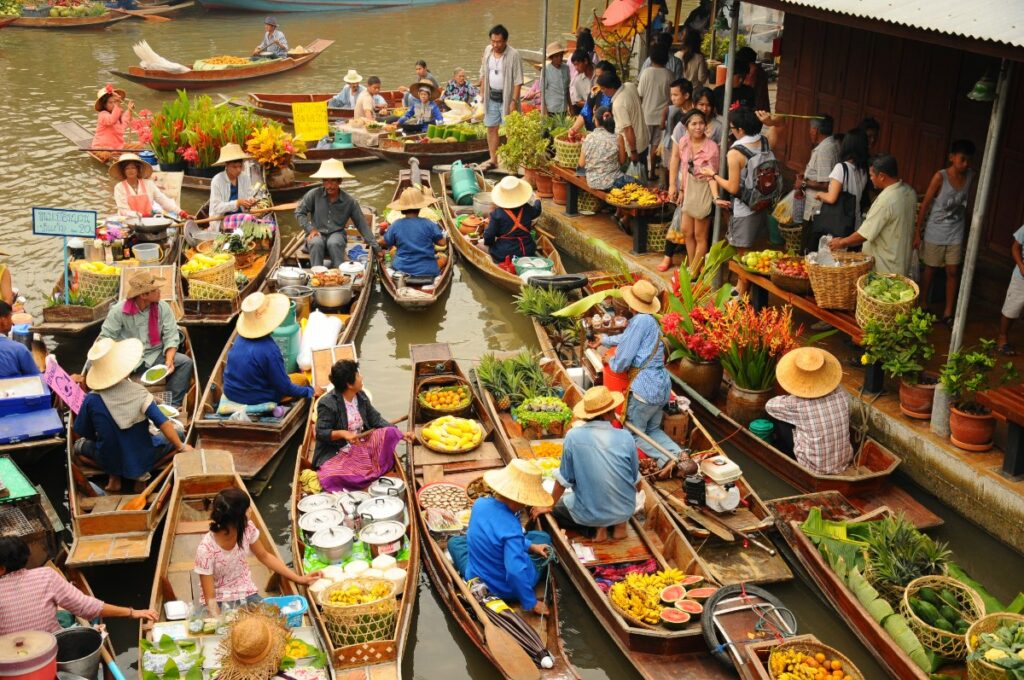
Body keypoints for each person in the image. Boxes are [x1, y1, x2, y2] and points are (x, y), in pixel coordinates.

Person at [73, 338, 191, 493]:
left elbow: (84, 431)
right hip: (142, 457)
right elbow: (163, 423)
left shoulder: (91, 399)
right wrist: (181, 447)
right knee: (179, 434)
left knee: (79, 446)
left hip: (108, 457)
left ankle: (114, 477)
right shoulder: (139, 393)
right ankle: (140, 477)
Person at [590, 280, 681, 476]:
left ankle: (667, 459)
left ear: (632, 303)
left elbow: (622, 361)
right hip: (661, 387)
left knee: (634, 432)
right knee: (653, 430)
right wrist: (604, 340)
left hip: (645, 390)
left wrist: (609, 359)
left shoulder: (640, 321)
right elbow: (627, 338)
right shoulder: (649, 321)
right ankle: (679, 456)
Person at [448, 459, 553, 616]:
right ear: (520, 500)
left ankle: (529, 545)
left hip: (477, 576)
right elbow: (515, 571)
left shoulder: (479, 504)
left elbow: (496, 537)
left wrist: (530, 546)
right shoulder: (512, 527)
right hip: (504, 589)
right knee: (542, 536)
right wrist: (531, 603)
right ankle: (523, 592)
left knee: (454, 542)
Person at [535, 386, 640, 540]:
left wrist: (548, 506)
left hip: (592, 513)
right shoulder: (626, 437)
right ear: (608, 413)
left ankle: (596, 530)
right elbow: (634, 478)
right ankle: (619, 526)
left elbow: (564, 480)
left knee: (557, 510)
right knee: (607, 492)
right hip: (624, 510)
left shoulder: (573, 436)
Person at [195, 488, 319, 616]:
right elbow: (210, 598)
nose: (251, 510)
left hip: (246, 593)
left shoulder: (247, 528)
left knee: (277, 621)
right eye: (247, 509)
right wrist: (218, 621)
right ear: (238, 517)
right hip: (219, 600)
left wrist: (299, 579)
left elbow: (264, 556)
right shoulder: (206, 550)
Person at [0, 535, 157, 635]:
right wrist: (132, 612)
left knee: (61, 611)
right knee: (63, 611)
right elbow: (87, 607)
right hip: (51, 653)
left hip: (12, 663)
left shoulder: (44, 576)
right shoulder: (45, 575)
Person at [702, 107, 780, 275]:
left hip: (745, 208)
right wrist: (770, 122)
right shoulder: (766, 142)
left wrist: (713, 174)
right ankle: (741, 286)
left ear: (740, 130)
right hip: (763, 203)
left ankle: (742, 289)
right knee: (754, 251)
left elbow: (733, 187)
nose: (731, 131)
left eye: (732, 128)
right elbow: (780, 125)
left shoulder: (735, 153)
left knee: (743, 255)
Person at [314, 360, 413, 488]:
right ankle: (358, 472)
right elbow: (321, 432)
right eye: (358, 375)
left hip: (360, 445)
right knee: (330, 477)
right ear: (349, 384)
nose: (362, 378)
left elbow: (376, 420)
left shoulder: (361, 396)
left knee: (390, 432)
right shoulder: (327, 403)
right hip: (338, 451)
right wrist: (343, 434)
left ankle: (361, 470)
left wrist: (401, 434)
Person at [99, 271, 192, 407]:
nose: (159, 292)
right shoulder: (118, 311)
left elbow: (171, 336)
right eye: (155, 290)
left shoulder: (163, 308)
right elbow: (105, 340)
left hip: (154, 355)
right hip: (126, 359)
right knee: (96, 367)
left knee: (185, 362)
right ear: (143, 295)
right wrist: (118, 366)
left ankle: (172, 405)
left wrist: (169, 360)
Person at [914, 139, 976, 325]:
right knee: (931, 268)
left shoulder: (971, 175)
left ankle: (948, 311)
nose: (966, 164)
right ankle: (923, 303)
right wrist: (918, 232)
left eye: (969, 160)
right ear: (951, 157)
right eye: (962, 159)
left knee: (952, 270)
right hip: (936, 230)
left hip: (956, 230)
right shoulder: (940, 177)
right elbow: (925, 205)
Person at [765, 347, 853, 475]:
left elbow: (770, 406)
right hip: (844, 461)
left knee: (780, 420)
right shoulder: (841, 392)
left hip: (814, 467)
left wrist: (790, 397)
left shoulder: (796, 404)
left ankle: (786, 455)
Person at [222, 292, 318, 407]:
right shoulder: (269, 350)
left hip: (231, 392)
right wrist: (310, 391)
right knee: (301, 379)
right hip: (255, 398)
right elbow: (285, 387)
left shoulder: (239, 339)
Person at [829, 154, 917, 276]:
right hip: (900, 263)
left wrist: (842, 242)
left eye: (871, 175)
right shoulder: (909, 191)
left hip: (884, 268)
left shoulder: (887, 200)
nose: (870, 178)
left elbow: (865, 233)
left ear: (881, 176)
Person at [665, 109, 719, 272]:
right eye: (694, 124)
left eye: (701, 123)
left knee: (700, 235)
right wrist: (678, 188)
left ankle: (693, 271)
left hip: (702, 191)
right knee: (687, 231)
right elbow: (682, 165)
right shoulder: (683, 142)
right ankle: (693, 267)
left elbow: (712, 177)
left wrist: (715, 197)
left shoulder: (712, 148)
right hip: (687, 190)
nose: (698, 127)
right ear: (686, 126)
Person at [296, 159, 374, 268]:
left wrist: (376, 247)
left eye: (333, 181)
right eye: (326, 181)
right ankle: (316, 273)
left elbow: (362, 225)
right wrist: (310, 229)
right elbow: (300, 213)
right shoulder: (313, 194)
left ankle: (339, 272)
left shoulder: (349, 201)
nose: (329, 186)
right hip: (317, 232)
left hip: (336, 233)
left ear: (339, 181)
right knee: (316, 242)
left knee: (334, 242)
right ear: (323, 181)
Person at [478, 24, 524, 170]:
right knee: (491, 128)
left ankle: (513, 161)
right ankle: (493, 159)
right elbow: (484, 73)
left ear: (505, 41)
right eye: (493, 41)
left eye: (498, 42)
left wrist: (513, 101)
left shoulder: (513, 54)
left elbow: (518, 80)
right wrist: (481, 94)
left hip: (507, 97)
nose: (495, 44)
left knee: (510, 130)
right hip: (491, 96)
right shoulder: (487, 51)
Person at [379, 186, 446, 277]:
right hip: (428, 270)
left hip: (401, 268)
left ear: (402, 209)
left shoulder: (396, 225)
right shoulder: (429, 224)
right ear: (419, 208)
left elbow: (386, 242)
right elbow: (442, 243)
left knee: (392, 255)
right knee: (443, 257)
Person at [817, 127, 870, 238]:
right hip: (854, 224)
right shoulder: (863, 170)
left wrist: (819, 195)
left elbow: (831, 198)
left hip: (837, 225)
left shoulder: (841, 168)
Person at [598, 73, 650, 176]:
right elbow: (633, 107)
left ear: (611, 87)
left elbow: (628, 129)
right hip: (644, 139)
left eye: (603, 89)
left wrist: (633, 152)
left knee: (634, 182)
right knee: (642, 175)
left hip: (633, 147)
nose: (602, 92)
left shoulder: (618, 104)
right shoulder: (630, 86)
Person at [483, 177, 541, 265]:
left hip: (505, 254)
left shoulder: (497, 214)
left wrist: (490, 244)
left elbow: (489, 236)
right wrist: (538, 200)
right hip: (528, 251)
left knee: (480, 245)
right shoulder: (527, 208)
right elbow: (537, 211)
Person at [110, 153, 186, 219]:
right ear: (123, 171)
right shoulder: (119, 187)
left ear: (138, 169)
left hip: (148, 220)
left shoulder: (148, 184)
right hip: (128, 221)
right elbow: (124, 210)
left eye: (133, 167)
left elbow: (163, 200)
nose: (131, 171)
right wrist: (141, 215)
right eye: (127, 168)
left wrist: (181, 212)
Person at [209, 143, 265, 232]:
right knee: (249, 220)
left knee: (268, 224)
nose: (238, 170)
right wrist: (237, 203)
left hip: (242, 214)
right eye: (234, 167)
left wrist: (251, 200)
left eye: (240, 166)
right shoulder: (217, 180)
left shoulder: (244, 177)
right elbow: (216, 207)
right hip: (221, 219)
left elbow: (249, 195)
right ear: (226, 166)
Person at [637, 44, 674, 178]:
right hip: (661, 117)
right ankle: (652, 172)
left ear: (651, 58)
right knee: (655, 146)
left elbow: (639, 94)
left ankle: (642, 173)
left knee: (643, 144)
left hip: (646, 114)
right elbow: (672, 98)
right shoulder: (670, 75)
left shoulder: (646, 72)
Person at [579, 107, 627, 191]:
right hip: (613, 182)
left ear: (596, 121)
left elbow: (581, 164)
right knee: (639, 184)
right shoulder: (618, 137)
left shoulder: (589, 138)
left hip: (592, 182)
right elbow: (622, 161)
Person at [997, 223, 1024, 356]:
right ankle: (1002, 338)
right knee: (1011, 309)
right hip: (1021, 277)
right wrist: (1021, 265)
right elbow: (1015, 248)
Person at [569, 61, 615, 133]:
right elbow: (586, 111)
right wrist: (574, 129)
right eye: (597, 77)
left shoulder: (618, 94)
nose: (598, 80)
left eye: (600, 77)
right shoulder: (596, 90)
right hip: (595, 134)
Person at [0, 301, 37, 379]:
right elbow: (36, 377)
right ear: (3, 320)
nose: (12, 321)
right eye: (10, 317)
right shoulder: (19, 349)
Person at [92, 84, 132, 154]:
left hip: (118, 148)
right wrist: (117, 105)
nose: (114, 104)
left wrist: (129, 110)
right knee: (106, 155)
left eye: (115, 101)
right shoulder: (103, 114)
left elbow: (123, 125)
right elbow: (111, 120)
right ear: (104, 104)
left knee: (137, 147)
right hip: (103, 148)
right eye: (110, 102)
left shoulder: (118, 114)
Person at [736, 46, 771, 112]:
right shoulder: (758, 69)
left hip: (755, 107)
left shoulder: (753, 70)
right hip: (760, 105)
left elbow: (747, 86)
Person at [542, 42, 571, 115]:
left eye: (561, 55)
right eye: (556, 56)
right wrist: (545, 111)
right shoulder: (546, 70)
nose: (560, 58)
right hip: (551, 109)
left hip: (563, 108)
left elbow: (567, 89)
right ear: (552, 58)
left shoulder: (566, 68)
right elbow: (542, 91)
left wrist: (570, 106)